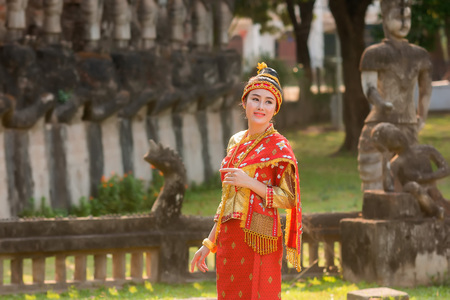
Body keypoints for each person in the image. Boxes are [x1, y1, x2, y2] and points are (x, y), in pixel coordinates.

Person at [190, 62, 302, 299]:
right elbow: (227, 200)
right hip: (229, 238)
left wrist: (250, 182)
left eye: (268, 102)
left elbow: (289, 198)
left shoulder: (279, 146)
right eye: (255, 99)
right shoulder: (236, 141)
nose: (261, 106)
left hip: (259, 237)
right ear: (244, 102)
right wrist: (209, 243)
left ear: (275, 109)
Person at [358, 0, 432, 191]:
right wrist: (381, 103)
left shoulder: (419, 55)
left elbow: (426, 90)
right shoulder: (375, 54)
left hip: (408, 125)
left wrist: (421, 117)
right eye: (399, 17)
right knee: (373, 182)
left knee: (409, 182)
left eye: (407, 17)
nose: (404, 23)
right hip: (379, 126)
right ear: (385, 18)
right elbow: (369, 88)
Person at [371, 122, 450, 219]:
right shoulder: (396, 163)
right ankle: (436, 211)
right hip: (412, 195)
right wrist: (384, 156)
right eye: (396, 140)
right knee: (412, 186)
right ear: (390, 148)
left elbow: (446, 169)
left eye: (400, 134)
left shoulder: (426, 150)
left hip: (432, 192)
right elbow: (388, 188)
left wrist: (424, 177)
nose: (402, 138)